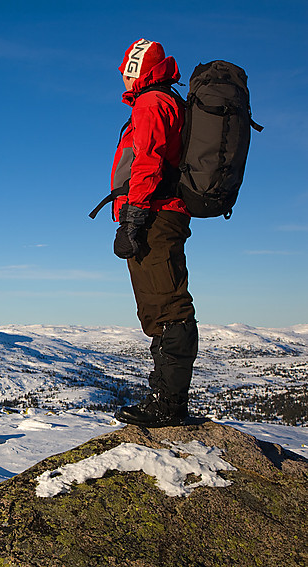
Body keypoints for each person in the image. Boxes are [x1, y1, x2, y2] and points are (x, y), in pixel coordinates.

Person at [108, 39, 199, 428]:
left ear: (144, 69)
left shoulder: (152, 103)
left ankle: (170, 406)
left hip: (155, 214)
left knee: (169, 306)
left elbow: (148, 159)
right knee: (157, 310)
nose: (126, 75)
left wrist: (136, 216)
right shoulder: (160, 100)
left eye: (132, 68)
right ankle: (164, 397)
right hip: (156, 213)